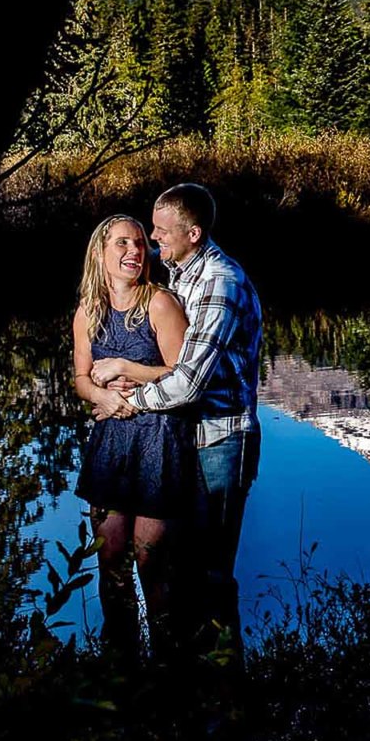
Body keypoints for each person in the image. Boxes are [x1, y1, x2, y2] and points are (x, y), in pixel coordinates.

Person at [100, 183, 263, 648]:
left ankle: (225, 690)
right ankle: (187, 686)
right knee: (182, 569)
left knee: (212, 574)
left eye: (161, 232)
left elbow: (190, 380)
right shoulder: (181, 274)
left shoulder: (220, 282)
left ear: (193, 232)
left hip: (221, 440)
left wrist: (130, 401)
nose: (153, 240)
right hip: (186, 439)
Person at [70, 214, 197, 646]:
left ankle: (167, 662)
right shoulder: (88, 311)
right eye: (123, 243)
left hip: (158, 440)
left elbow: (184, 376)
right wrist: (102, 398)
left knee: (152, 561)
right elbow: (81, 378)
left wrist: (129, 371)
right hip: (110, 442)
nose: (135, 251)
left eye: (140, 243)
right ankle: (119, 664)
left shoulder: (160, 303)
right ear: (101, 253)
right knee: (110, 562)